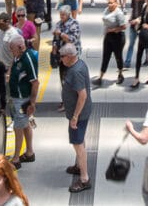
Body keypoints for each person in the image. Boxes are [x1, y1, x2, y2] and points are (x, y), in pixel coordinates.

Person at [59, 43, 93, 193]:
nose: (60, 59)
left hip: (79, 115)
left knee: (78, 144)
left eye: (62, 56)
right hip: (80, 113)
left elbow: (83, 95)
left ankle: (84, 179)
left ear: (71, 56)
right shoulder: (79, 64)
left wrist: (75, 117)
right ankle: (79, 166)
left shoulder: (76, 71)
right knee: (79, 141)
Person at [7, 38, 38, 169]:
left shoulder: (27, 58)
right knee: (25, 125)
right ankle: (29, 152)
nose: (11, 51)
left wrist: (32, 103)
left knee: (18, 127)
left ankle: (16, 158)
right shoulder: (18, 57)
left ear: (20, 47)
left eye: (12, 49)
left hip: (23, 99)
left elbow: (35, 82)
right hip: (16, 97)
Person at [97, 0, 127, 85]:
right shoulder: (107, 9)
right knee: (105, 56)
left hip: (118, 37)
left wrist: (113, 29)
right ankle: (100, 77)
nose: (109, 4)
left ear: (116, 3)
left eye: (111, 3)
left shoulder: (119, 13)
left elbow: (124, 26)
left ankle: (121, 74)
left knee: (118, 57)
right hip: (108, 36)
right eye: (108, 3)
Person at [53, 4, 82, 98]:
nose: (61, 17)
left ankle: (74, 98)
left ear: (68, 14)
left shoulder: (74, 24)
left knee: (73, 78)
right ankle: (66, 100)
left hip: (72, 57)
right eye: (60, 15)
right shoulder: (58, 24)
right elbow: (55, 39)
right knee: (63, 78)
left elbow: (72, 40)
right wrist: (54, 50)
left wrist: (61, 34)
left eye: (63, 15)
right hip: (62, 56)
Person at [124, 0, 146, 69]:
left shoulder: (143, 1)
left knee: (144, 44)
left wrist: (137, 20)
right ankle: (127, 61)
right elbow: (133, 10)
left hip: (141, 25)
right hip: (133, 25)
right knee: (131, 44)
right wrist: (130, 18)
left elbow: (144, 14)